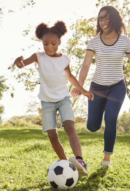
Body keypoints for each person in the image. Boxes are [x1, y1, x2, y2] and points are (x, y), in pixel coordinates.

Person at [71, 6, 130, 167]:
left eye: (106, 18)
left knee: (111, 118)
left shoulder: (125, 41)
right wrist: (80, 86)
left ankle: (107, 158)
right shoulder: (94, 42)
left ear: (114, 19)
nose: (103, 22)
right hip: (97, 88)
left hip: (117, 87)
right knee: (93, 126)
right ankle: (95, 123)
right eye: (101, 19)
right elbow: (85, 65)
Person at [13, 21, 94, 176]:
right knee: (52, 134)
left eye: (53, 43)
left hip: (63, 98)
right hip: (47, 102)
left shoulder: (64, 59)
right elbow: (23, 64)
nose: (49, 47)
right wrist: (19, 62)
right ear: (41, 43)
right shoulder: (39, 56)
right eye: (46, 44)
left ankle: (80, 160)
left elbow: (70, 77)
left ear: (59, 42)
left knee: (70, 126)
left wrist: (83, 91)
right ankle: (66, 164)